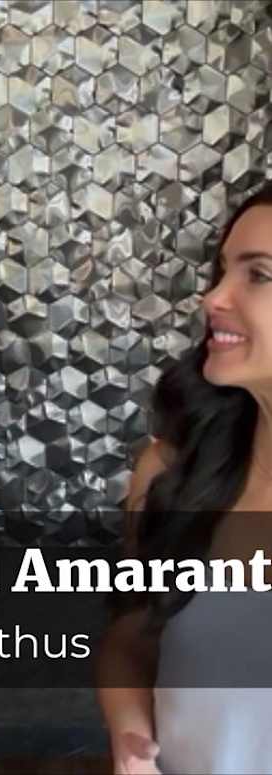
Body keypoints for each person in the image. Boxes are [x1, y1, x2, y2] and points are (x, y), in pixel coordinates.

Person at [97, 182, 272, 774]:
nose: (213, 297)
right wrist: (131, 738)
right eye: (223, 270)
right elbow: (130, 639)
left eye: (259, 275)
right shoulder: (171, 475)